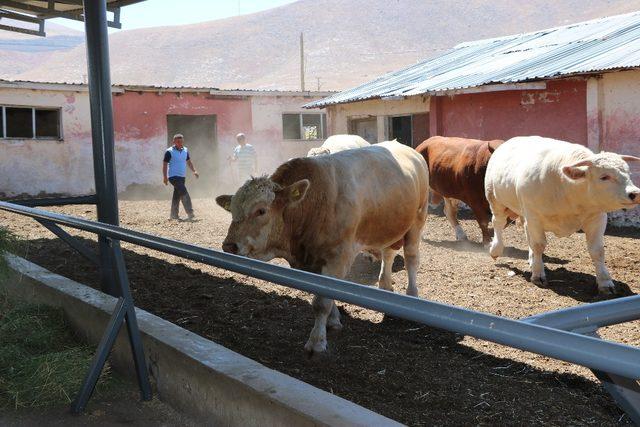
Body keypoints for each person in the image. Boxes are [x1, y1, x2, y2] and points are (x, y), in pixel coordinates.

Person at [163, 133, 199, 220]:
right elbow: (164, 165)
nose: (180, 143)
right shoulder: (169, 151)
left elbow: (189, 162)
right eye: (178, 141)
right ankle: (190, 212)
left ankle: (173, 215)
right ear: (174, 142)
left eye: (181, 141)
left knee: (177, 195)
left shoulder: (185, 150)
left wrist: (194, 170)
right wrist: (165, 177)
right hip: (173, 176)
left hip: (182, 176)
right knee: (184, 192)